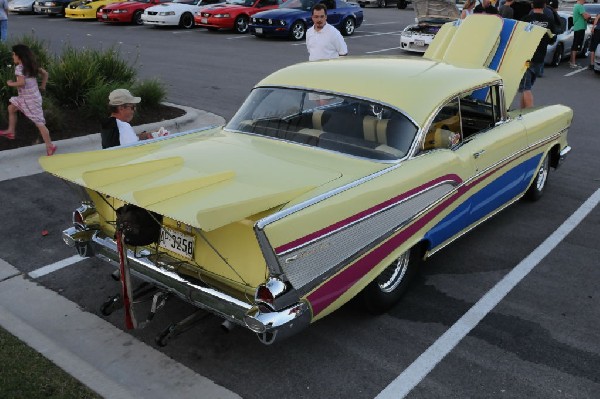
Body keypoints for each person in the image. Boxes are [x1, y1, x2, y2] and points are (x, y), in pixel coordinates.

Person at [0, 44, 56, 156]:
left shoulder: (19, 68)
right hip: (29, 97)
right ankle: (11, 131)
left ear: (19, 56)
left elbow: (21, 83)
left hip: (29, 100)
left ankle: (50, 146)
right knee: (11, 108)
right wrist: (43, 86)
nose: (13, 57)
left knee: (39, 123)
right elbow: (45, 74)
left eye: (14, 55)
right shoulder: (30, 65)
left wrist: (10, 83)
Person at [518, 0, 557, 108]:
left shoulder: (526, 19)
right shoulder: (549, 21)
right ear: (544, 5)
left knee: (526, 88)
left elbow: (519, 37)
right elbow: (552, 40)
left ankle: (530, 115)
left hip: (527, 58)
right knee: (527, 87)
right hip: (540, 58)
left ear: (532, 5)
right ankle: (522, 111)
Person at [570, 0, 591, 69]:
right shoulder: (580, 6)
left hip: (578, 27)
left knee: (575, 45)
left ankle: (572, 61)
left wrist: (587, 15)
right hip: (580, 27)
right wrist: (588, 15)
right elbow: (586, 16)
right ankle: (573, 63)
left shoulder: (577, 6)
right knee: (576, 45)